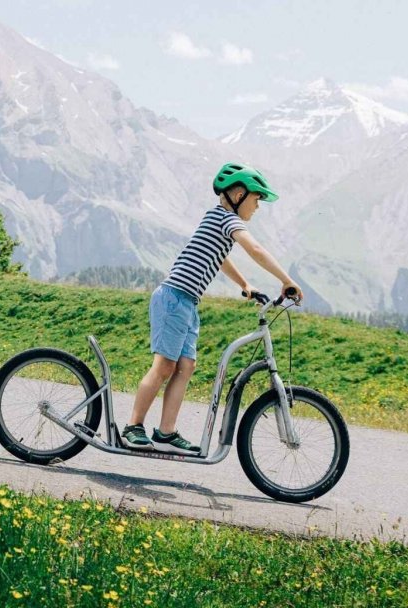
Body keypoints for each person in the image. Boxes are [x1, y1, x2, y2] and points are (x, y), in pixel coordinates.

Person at [122, 163, 302, 453]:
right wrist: (287, 280)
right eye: (256, 200)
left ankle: (166, 433)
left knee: (186, 367)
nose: (257, 208)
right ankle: (132, 427)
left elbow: (219, 258)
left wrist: (245, 284)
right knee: (164, 366)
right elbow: (255, 250)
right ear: (239, 195)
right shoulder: (227, 220)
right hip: (173, 298)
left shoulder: (218, 220)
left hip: (188, 303)